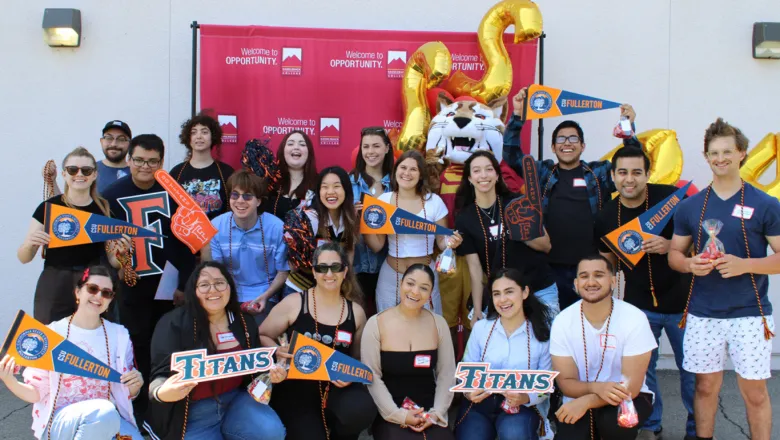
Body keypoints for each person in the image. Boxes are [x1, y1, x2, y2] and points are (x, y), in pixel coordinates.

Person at [669, 118, 780, 440]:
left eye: (727, 151)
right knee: (704, 388)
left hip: (750, 313)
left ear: (742, 153)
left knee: (755, 392)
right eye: (714, 153)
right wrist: (690, 265)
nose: (720, 159)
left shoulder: (765, 204)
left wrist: (745, 264)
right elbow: (675, 255)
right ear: (706, 156)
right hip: (703, 313)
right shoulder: (690, 207)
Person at [503, 87, 640, 311]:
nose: (567, 143)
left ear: (583, 146)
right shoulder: (542, 172)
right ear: (553, 146)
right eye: (561, 139)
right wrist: (518, 115)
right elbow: (510, 154)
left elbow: (632, 161)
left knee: (592, 326)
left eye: (573, 138)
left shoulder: (599, 173)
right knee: (556, 330)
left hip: (589, 270)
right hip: (550, 270)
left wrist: (627, 126)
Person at [593, 146, 695, 440]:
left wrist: (670, 246)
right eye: (622, 172)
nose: (630, 179)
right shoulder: (606, 216)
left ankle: (696, 429)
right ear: (613, 176)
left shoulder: (671, 199)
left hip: (681, 303)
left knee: (691, 371)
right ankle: (651, 425)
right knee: (643, 374)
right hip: (638, 308)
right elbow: (606, 265)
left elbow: (698, 243)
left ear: (648, 174)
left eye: (637, 172)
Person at [102, 134, 197, 420]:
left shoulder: (174, 191)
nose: (145, 166)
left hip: (169, 285)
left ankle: (170, 405)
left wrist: (184, 283)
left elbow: (186, 241)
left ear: (161, 162)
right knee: (137, 345)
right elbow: (106, 244)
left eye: (153, 161)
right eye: (140, 160)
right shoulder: (111, 195)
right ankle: (141, 408)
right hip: (133, 284)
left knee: (171, 344)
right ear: (129, 159)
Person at [146, 261, 286, 440]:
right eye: (204, 285)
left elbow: (256, 367)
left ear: (230, 287)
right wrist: (162, 392)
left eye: (219, 282)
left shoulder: (244, 322)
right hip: (193, 410)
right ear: (193, 291)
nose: (213, 290)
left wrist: (273, 371)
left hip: (236, 400)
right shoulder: (173, 323)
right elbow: (159, 375)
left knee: (271, 432)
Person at [0, 265, 143, 439]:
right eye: (92, 289)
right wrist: (9, 380)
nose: (98, 296)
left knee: (109, 417)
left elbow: (124, 390)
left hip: (108, 419)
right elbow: (36, 392)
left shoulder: (119, 335)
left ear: (110, 300)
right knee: (103, 412)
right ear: (77, 292)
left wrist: (134, 387)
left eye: (106, 293)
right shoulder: (51, 333)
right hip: (61, 422)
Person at [259, 242, 376, 440]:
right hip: (296, 388)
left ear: (345, 271)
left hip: (336, 388)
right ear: (313, 272)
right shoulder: (294, 303)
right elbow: (262, 334)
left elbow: (357, 358)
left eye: (335, 267)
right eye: (322, 268)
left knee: (360, 410)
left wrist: (352, 375)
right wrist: (276, 350)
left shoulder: (355, 312)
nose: (329, 274)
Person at [19, 147, 129, 324]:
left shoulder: (105, 210)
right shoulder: (48, 207)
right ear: (64, 174)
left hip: (92, 280)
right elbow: (24, 257)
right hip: (55, 280)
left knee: (93, 337)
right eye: (72, 169)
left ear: (94, 175)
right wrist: (30, 244)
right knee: (51, 336)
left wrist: (123, 255)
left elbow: (114, 262)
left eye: (86, 170)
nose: (79, 174)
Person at [551, 255, 656, 440]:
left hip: (630, 396)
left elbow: (632, 386)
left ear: (613, 281)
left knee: (614, 425)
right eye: (584, 276)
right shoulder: (563, 321)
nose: (591, 282)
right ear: (576, 283)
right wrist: (596, 389)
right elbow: (566, 382)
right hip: (579, 395)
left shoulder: (634, 318)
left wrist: (588, 402)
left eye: (598, 275)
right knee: (571, 434)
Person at [454, 151, 557, 334]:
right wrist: (478, 309)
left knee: (546, 344)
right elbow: (475, 270)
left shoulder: (517, 203)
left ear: (497, 175)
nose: (483, 175)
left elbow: (546, 245)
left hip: (539, 287)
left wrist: (520, 230)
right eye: (477, 171)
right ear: (470, 178)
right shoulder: (465, 218)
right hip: (502, 295)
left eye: (488, 169)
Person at [455, 268, 553, 440]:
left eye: (509, 292)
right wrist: (469, 392)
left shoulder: (541, 334)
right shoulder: (481, 328)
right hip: (480, 404)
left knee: (514, 434)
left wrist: (525, 397)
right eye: (496, 294)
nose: (503, 300)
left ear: (525, 292)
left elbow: (545, 389)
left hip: (522, 405)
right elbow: (466, 375)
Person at [362, 264, 456, 440]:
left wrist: (436, 414)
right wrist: (399, 415)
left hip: (429, 411)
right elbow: (371, 376)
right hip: (390, 412)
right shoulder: (376, 323)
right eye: (410, 284)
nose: (415, 292)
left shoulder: (438, 324)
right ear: (401, 284)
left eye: (424, 288)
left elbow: (447, 374)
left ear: (430, 294)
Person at [365, 150, 463, 315]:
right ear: (395, 171)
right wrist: (366, 225)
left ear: (421, 175)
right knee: (387, 326)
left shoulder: (434, 202)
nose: (407, 173)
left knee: (428, 325)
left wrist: (451, 242)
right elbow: (377, 246)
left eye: (413, 169)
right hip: (391, 275)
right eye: (403, 168)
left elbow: (441, 241)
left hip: (425, 276)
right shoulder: (383, 201)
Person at [204, 169, 290, 324]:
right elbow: (216, 271)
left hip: (266, 294)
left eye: (247, 196)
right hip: (228, 292)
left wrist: (264, 297)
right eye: (235, 195)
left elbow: (283, 272)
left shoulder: (277, 227)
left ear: (258, 201)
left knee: (258, 332)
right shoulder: (216, 225)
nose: (240, 201)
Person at [284, 166, 360, 294]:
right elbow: (294, 265)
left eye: (336, 186)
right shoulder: (309, 219)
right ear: (318, 192)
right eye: (324, 187)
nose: (330, 192)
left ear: (346, 190)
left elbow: (349, 253)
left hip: (331, 289)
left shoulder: (350, 218)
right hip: (300, 289)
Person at [349, 126, 394, 316]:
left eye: (376, 146)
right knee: (357, 319)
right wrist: (349, 214)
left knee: (387, 319)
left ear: (387, 148)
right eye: (366, 147)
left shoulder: (398, 182)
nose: (370, 152)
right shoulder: (348, 182)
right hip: (356, 264)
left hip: (389, 264)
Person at [170, 113, 235, 219]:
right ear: (188, 138)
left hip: (218, 234)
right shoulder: (176, 172)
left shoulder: (226, 173)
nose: (199, 136)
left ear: (213, 136)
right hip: (184, 234)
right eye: (193, 132)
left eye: (204, 132)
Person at [43, 120, 133, 195]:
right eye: (109, 138)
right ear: (102, 141)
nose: (114, 144)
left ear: (130, 143)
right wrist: (51, 181)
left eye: (121, 139)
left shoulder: (138, 172)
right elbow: (66, 208)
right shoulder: (87, 170)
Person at [263, 130, 318, 220]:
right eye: (290, 144)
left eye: (302, 144)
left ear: (309, 152)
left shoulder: (320, 184)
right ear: (283, 150)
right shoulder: (270, 183)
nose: (296, 147)